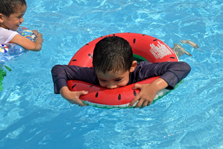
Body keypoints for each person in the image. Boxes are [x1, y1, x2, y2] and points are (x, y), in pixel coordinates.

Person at [51, 36, 191, 108]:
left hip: (151, 65)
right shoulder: (93, 73)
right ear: (94, 68)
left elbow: (183, 67)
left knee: (173, 58)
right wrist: (64, 92)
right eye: (103, 80)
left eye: (118, 80)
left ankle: (178, 48)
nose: (110, 86)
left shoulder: (141, 71)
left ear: (132, 67)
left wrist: (154, 86)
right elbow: (59, 69)